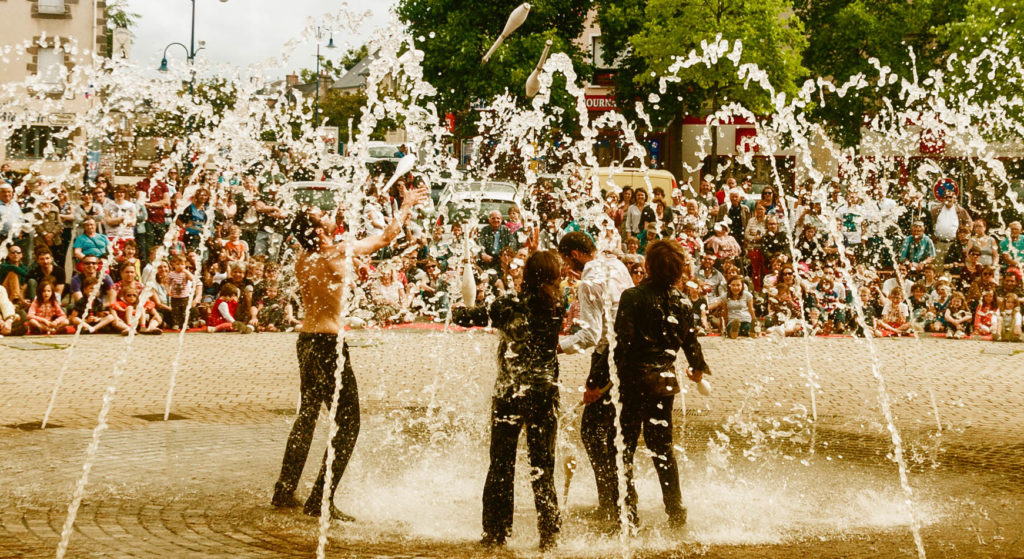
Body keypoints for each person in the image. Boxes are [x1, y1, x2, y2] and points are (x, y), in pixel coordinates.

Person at [271, 183, 427, 520]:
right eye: (319, 216)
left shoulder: (304, 259)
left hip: (306, 340)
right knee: (349, 423)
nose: (326, 216)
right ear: (315, 230)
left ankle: (284, 490)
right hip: (328, 344)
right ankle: (320, 500)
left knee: (308, 415)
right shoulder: (336, 252)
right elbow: (386, 238)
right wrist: (405, 204)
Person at [453, 251, 565, 550]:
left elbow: (465, 318)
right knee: (543, 466)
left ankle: (496, 533)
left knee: (501, 465)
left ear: (525, 276)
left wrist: (459, 304)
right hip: (544, 392)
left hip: (509, 393)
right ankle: (549, 535)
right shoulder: (558, 305)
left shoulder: (507, 304)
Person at [612, 239, 710, 531]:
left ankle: (628, 514)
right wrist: (697, 368)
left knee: (623, 448)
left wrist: (603, 380)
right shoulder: (681, 301)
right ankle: (676, 511)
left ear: (649, 266)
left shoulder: (632, 296)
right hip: (664, 385)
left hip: (632, 383)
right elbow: (690, 341)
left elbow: (621, 344)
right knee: (662, 449)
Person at [555, 231, 632, 524]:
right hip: (629, 353)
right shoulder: (616, 266)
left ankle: (610, 501)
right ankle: (621, 500)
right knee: (615, 432)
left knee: (591, 430)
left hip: (606, 358)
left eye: (565, 259)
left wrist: (557, 347)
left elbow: (591, 335)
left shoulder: (589, 282)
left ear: (573, 255)